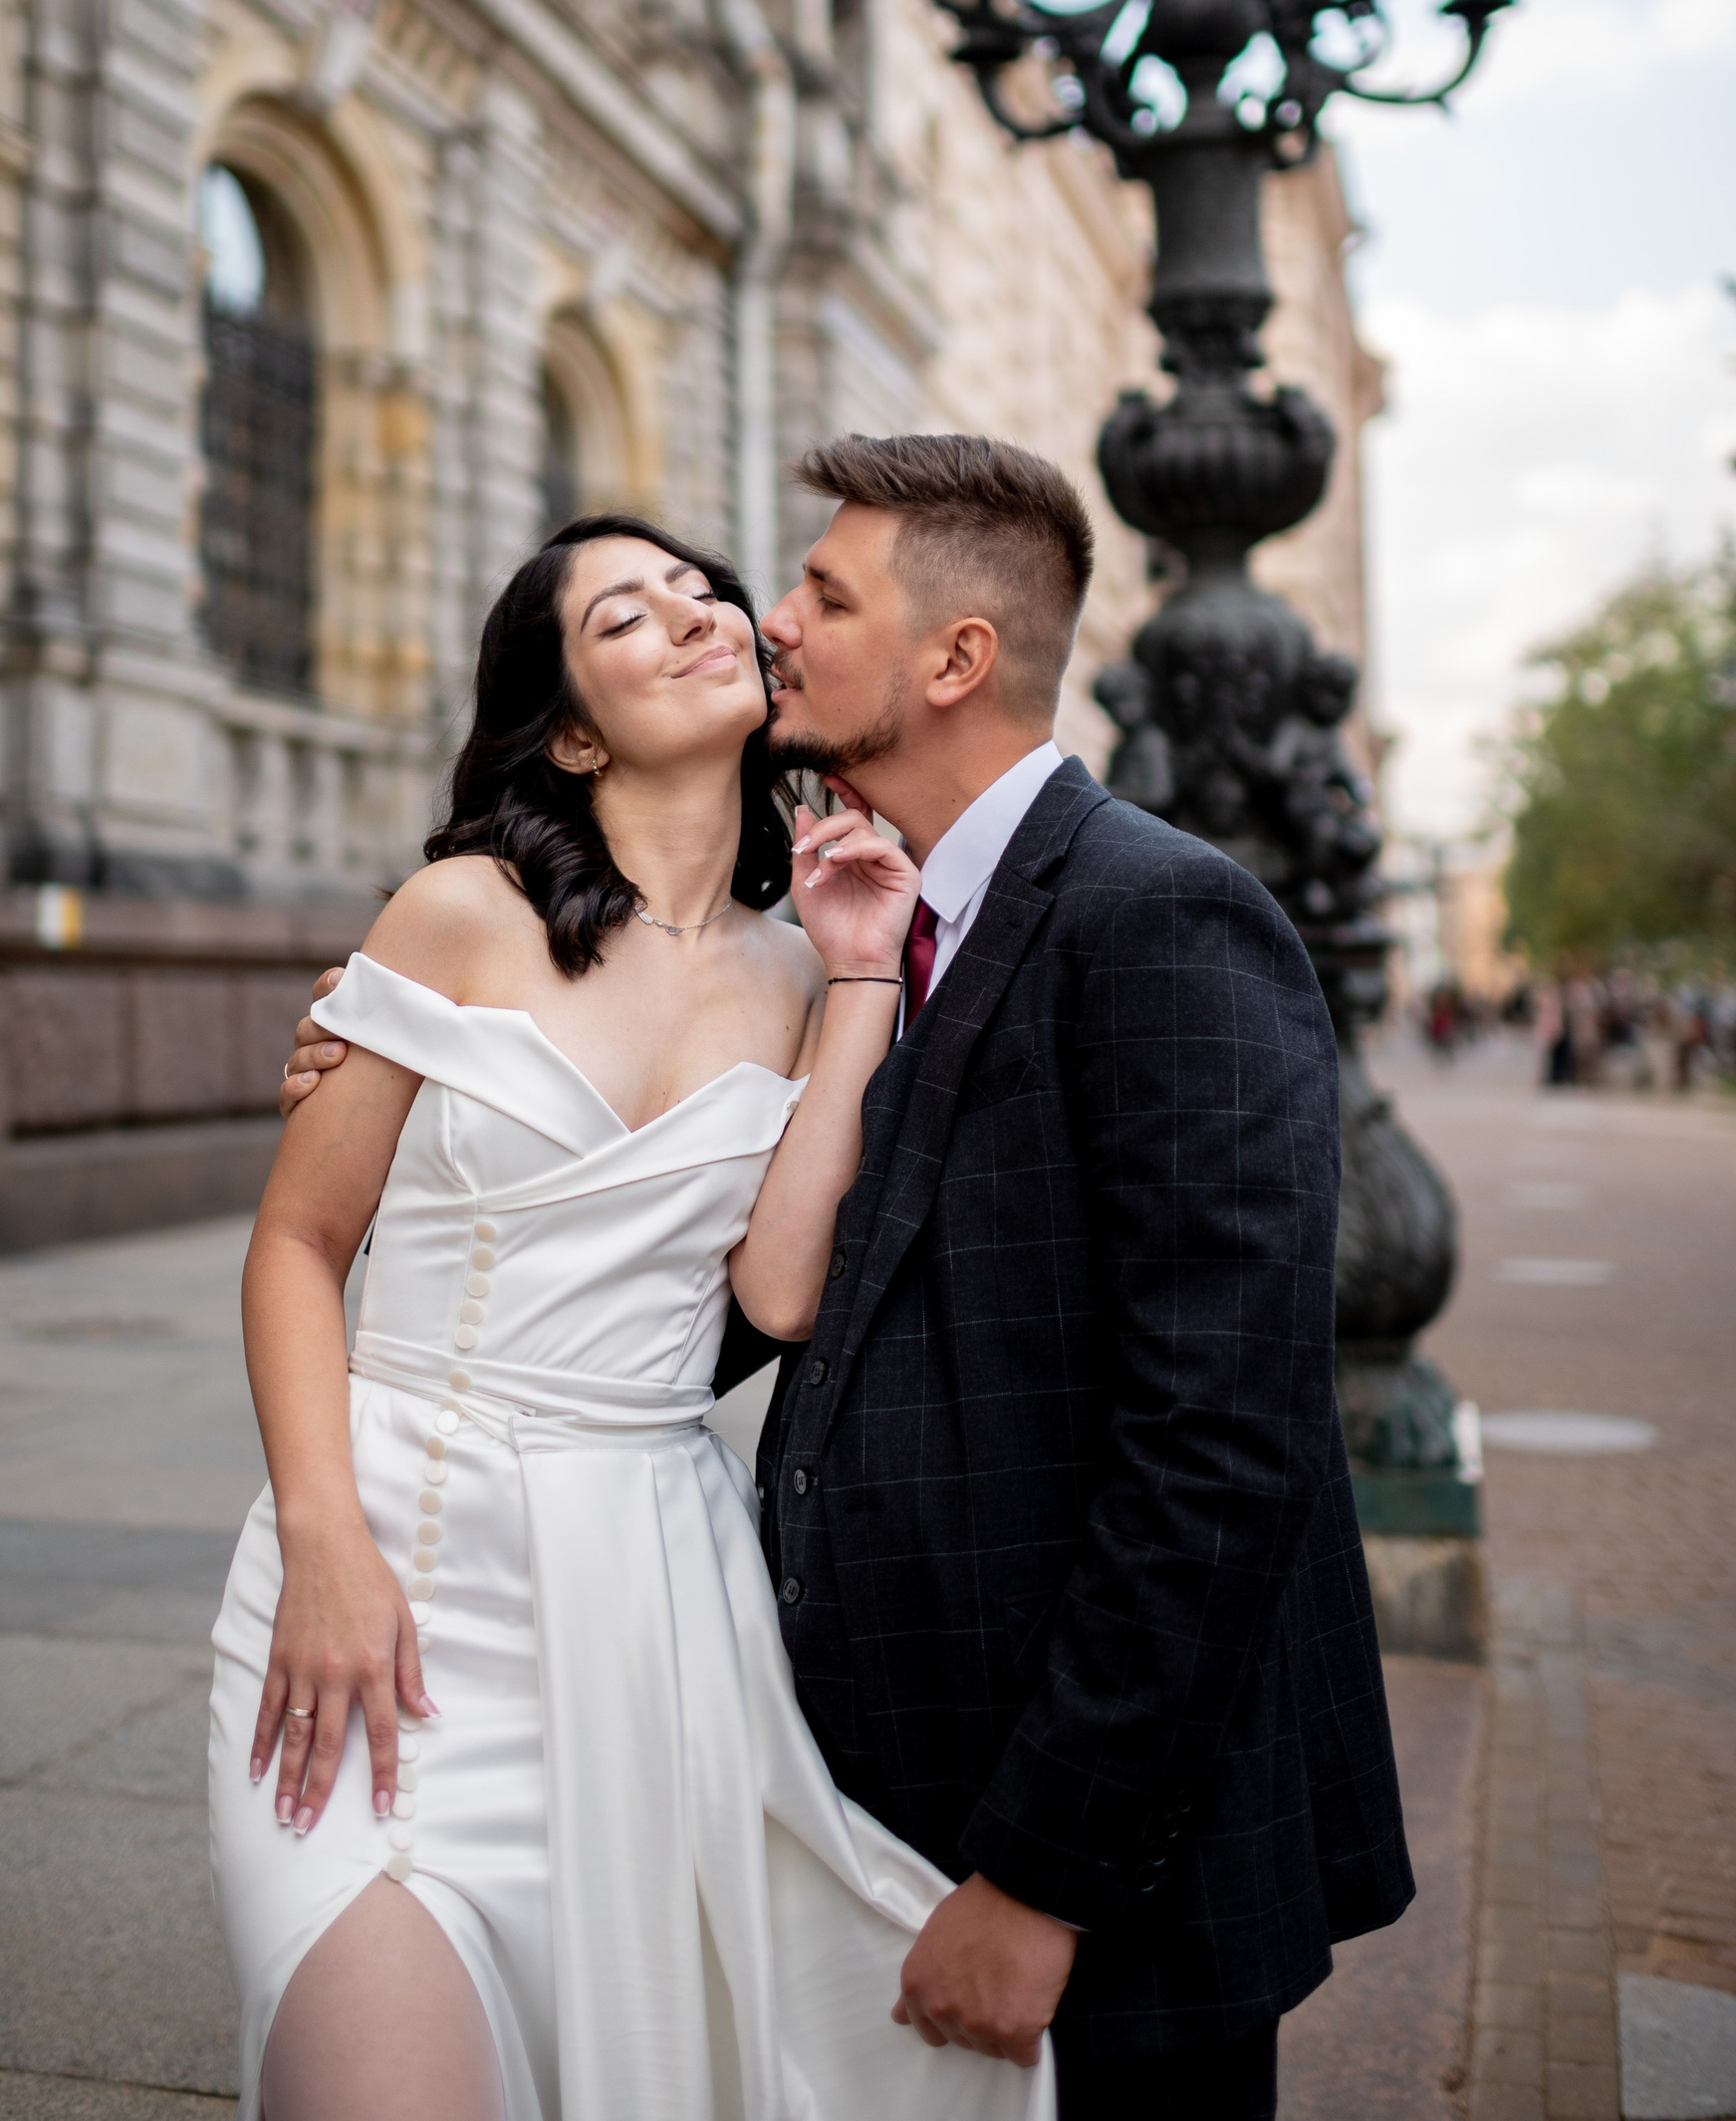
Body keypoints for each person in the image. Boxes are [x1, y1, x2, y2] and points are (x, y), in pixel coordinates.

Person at [282, 432, 1414, 2120]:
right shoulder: (863, 936)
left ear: (953, 658)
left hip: (1114, 1856)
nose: (769, 618)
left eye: (822, 592)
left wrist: (1045, 1874)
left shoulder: (1166, 919)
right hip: (861, 1772)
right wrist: (417, 1067)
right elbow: (722, 1285)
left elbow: (1223, 1444)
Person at [212, 509, 1052, 2121]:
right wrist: (323, 1540)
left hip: (652, 1590)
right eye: (624, 616)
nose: (695, 613)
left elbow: (778, 1289)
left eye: (699, 591)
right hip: (398, 1553)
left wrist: (861, 980)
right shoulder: (456, 914)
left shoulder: (803, 974)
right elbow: (298, 1244)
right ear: (575, 731)